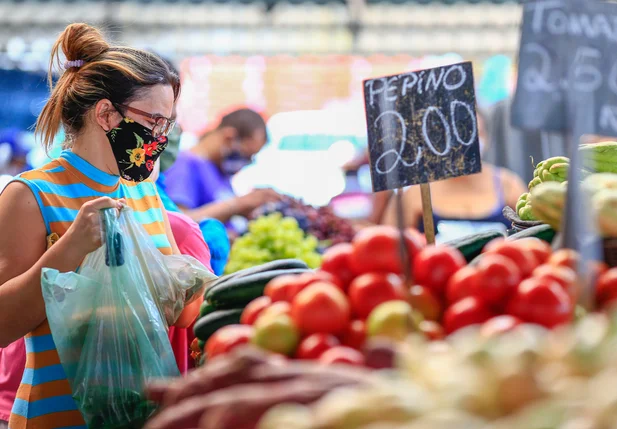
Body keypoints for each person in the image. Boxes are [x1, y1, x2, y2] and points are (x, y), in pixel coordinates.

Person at [0, 23, 200, 428]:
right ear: (106, 114)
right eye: (155, 122)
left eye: (168, 126)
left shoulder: (142, 191)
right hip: (53, 417)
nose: (161, 138)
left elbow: (171, 313)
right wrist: (68, 249)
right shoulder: (30, 195)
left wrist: (195, 284)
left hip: (139, 415)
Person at [382, 110, 527, 242]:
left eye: (474, 133)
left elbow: (534, 236)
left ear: (486, 137)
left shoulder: (509, 185)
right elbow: (390, 246)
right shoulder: (415, 192)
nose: (465, 143)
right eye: (458, 134)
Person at [164, 108, 282, 224]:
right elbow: (178, 222)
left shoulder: (218, 171)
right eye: (246, 156)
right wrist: (238, 204)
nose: (244, 164)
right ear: (229, 137)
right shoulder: (184, 165)